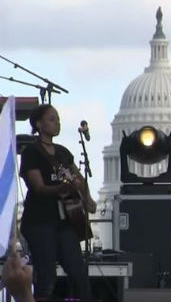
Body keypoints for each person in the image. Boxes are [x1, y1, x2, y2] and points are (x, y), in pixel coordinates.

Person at [19, 104, 95, 300]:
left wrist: (87, 199)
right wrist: (61, 189)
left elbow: (78, 178)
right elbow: (39, 188)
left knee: (79, 273)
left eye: (58, 119)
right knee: (47, 277)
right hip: (40, 221)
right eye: (52, 119)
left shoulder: (62, 152)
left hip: (64, 222)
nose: (57, 123)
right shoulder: (32, 152)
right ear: (39, 124)